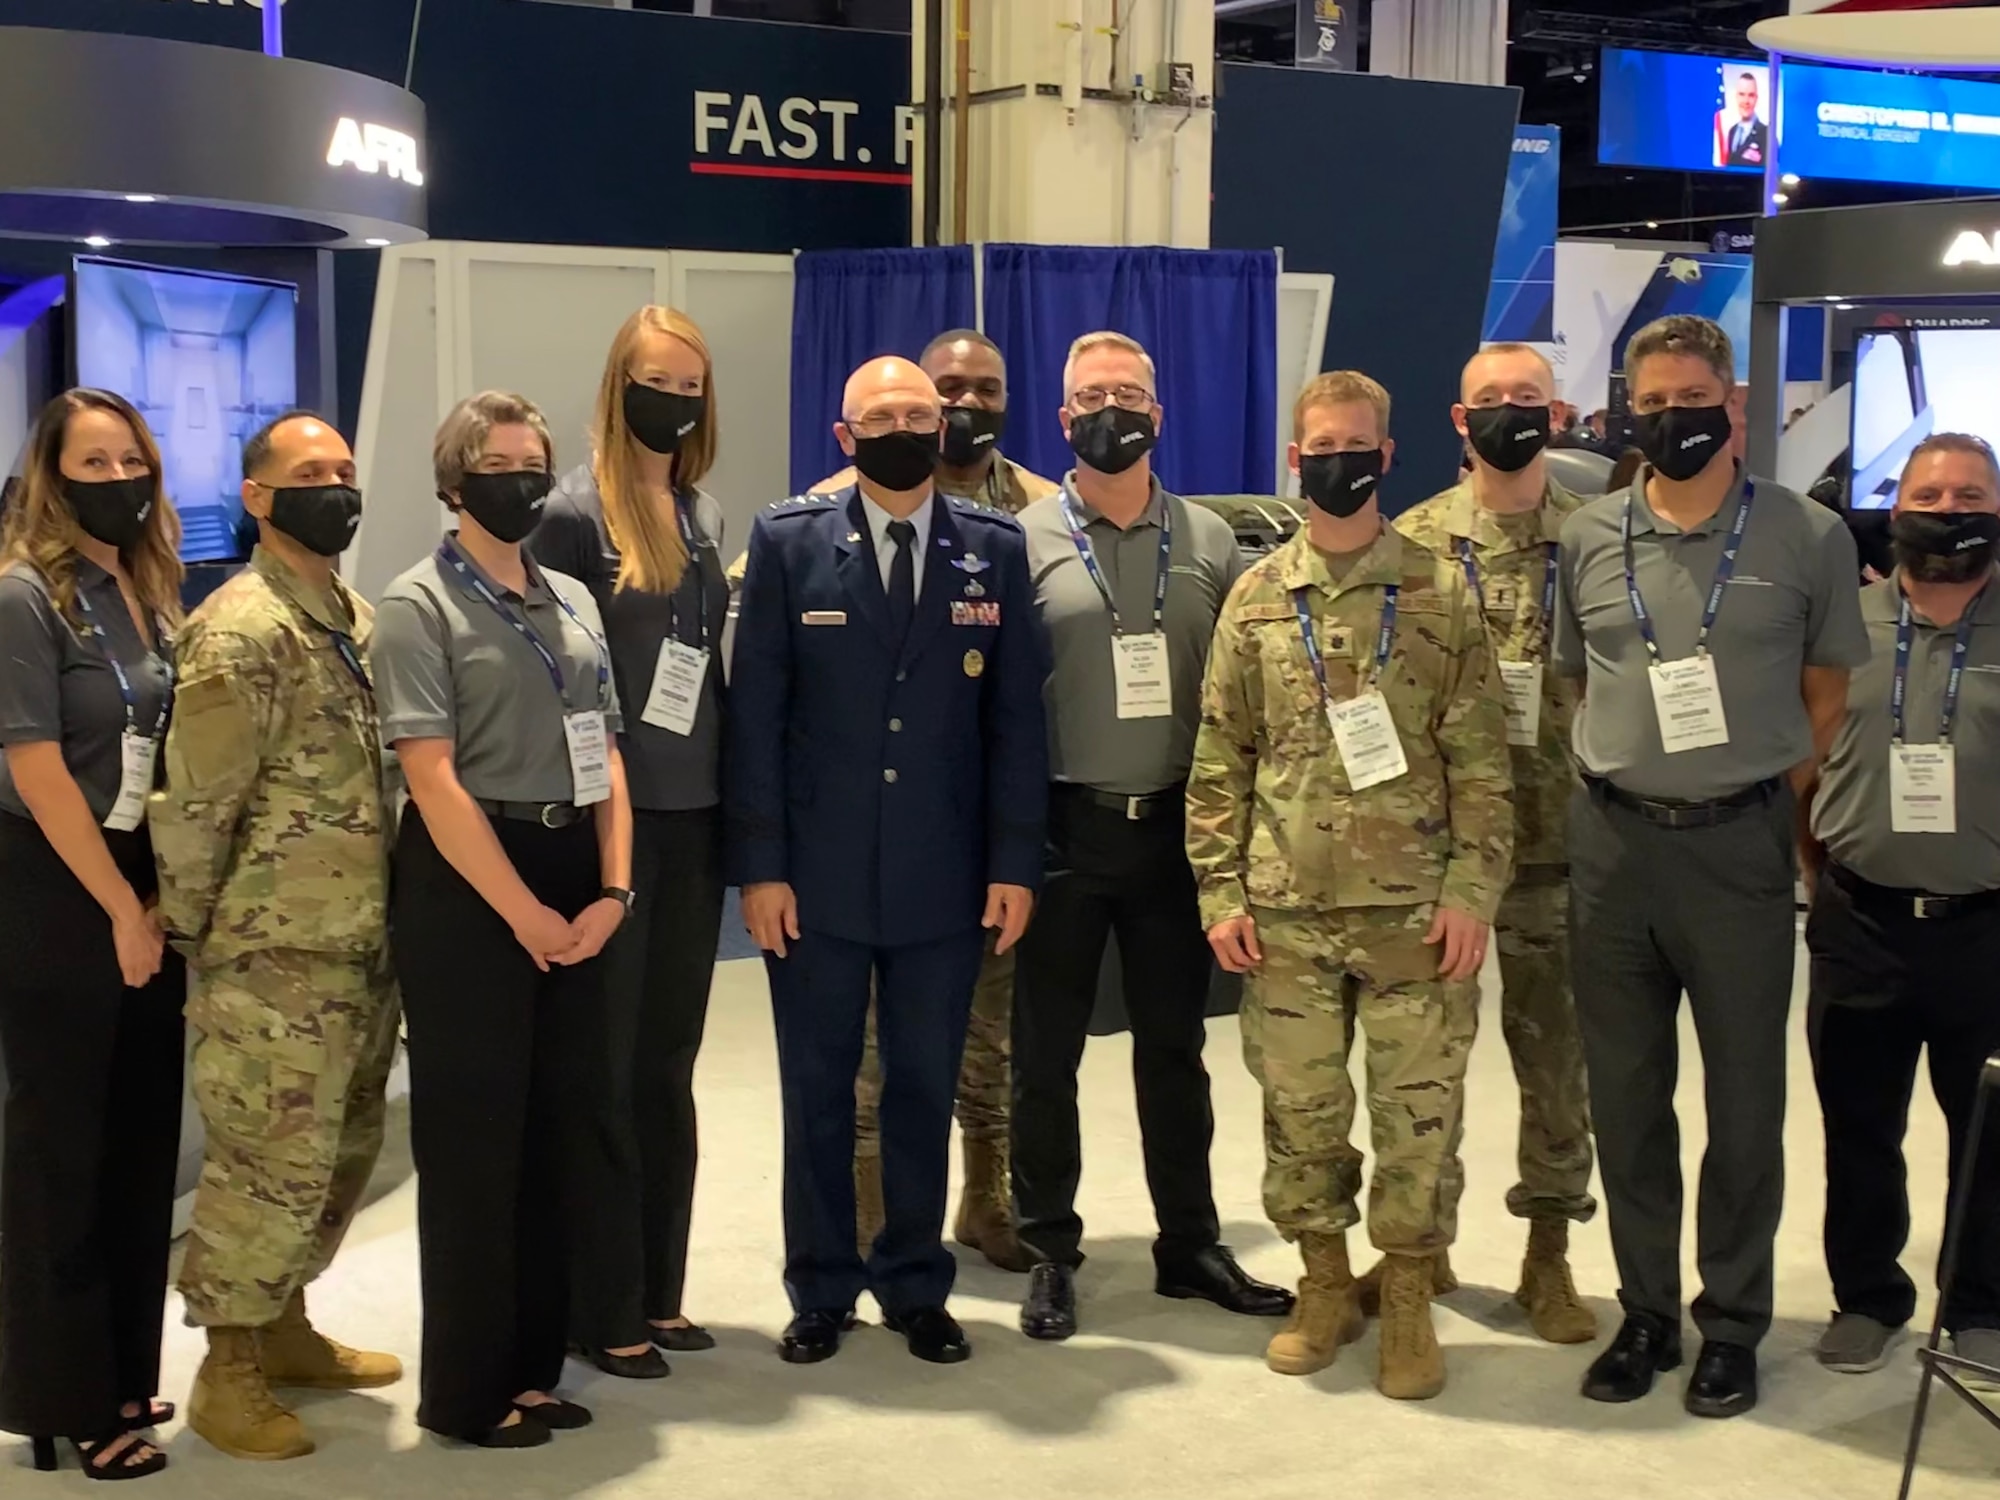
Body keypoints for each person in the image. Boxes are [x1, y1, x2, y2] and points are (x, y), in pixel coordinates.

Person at [1555, 314, 1868, 1418]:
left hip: (1737, 846)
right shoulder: (1587, 536)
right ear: (1627, 414)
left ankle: (1728, 1319)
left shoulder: (1806, 535)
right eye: (1653, 406)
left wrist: (1767, 802)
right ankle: (1644, 1311)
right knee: (1627, 1094)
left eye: (1694, 401)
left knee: (1742, 1101)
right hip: (1610, 848)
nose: (1673, 420)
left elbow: (1825, 695)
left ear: (1731, 406)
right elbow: (1581, 682)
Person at [1187, 370, 1510, 1399]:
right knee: (1301, 1112)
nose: (1337, 460)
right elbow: (1217, 759)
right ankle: (1321, 1281)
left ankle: (1407, 1292)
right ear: (1295, 458)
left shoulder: (1439, 591)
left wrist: (1471, 893)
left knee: (1417, 1116)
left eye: (1356, 445)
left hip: (1415, 912)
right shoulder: (1252, 597)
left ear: (1385, 454)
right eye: (1320, 445)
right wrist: (1218, 893)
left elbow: (1482, 764)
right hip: (1284, 912)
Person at [727, 356, 1046, 1366]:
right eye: (884, 416)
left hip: (943, 879)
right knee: (817, 1089)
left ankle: (914, 1283)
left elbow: (1014, 726)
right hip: (813, 881)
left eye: (922, 413)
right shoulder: (787, 542)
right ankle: (820, 1285)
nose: (908, 428)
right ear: (844, 436)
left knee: (919, 1084)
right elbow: (756, 721)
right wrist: (762, 869)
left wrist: (1012, 863)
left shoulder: (992, 548)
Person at [1012, 330, 1293, 1343]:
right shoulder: (1027, 538)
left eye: (1128, 392)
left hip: (1177, 832)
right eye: (1090, 395)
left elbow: (1243, 702)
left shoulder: (1212, 540)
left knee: (1174, 1050)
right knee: (1042, 1057)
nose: (1109, 409)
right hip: (1059, 830)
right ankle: (1047, 1250)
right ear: (1060, 419)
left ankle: (1189, 1244)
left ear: (1159, 415)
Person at [372, 391, 632, 1448]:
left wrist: (613, 892)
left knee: (555, 1136)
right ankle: (468, 1391)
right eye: (497, 463)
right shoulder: (415, 603)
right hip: (472, 887)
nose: (520, 479)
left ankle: (533, 1363)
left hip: (578, 873)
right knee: (477, 1147)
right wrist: (526, 912)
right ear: (453, 480)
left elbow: (607, 747)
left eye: (533, 461)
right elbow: (431, 781)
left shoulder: (570, 594)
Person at [151, 410, 401, 1463]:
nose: (335, 487)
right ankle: (229, 1368)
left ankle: (286, 1322)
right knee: (263, 1166)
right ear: (257, 497)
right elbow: (195, 805)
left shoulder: (351, 613)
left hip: (359, 940)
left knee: (342, 1150)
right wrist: (202, 940)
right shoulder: (240, 630)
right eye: (310, 473)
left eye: (344, 470)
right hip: (270, 954)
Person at [811, 329, 1057, 1272]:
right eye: (944, 388)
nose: (961, 406)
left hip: (976, 815)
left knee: (985, 1028)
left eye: (982, 389)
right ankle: (872, 1206)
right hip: (868, 825)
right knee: (875, 1038)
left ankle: (984, 1196)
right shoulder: (826, 513)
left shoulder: (1038, 512)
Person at [530, 307, 728, 1374]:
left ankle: (658, 1288)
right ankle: (597, 1301)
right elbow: (564, 688)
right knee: (600, 1073)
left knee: (666, 1067)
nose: (675, 399)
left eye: (691, 384)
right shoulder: (571, 514)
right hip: (617, 828)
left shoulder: (697, 512)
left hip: (693, 823)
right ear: (619, 386)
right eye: (658, 380)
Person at [1392, 343, 1596, 1346]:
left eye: (1526, 398)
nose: (1508, 413)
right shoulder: (1414, 543)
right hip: (1443, 863)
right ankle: (1422, 1245)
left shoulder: (1597, 537)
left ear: (1555, 413)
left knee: (1557, 1068)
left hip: (1565, 850)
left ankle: (1547, 1256)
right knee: (1425, 1067)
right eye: (1489, 400)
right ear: (1455, 416)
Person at [0, 390, 185, 1480]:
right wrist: (118, 909)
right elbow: (31, 765)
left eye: (131, 459)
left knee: (137, 1143)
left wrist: (155, 895)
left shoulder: (149, 587)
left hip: (142, 879)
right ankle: (58, 1397)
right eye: (93, 462)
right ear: (51, 475)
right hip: (57, 886)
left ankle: (121, 1367)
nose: (117, 478)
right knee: (59, 1151)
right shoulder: (25, 596)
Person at [1801, 432, 2000, 1386]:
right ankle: (1869, 1297)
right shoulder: (1845, 626)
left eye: (1971, 493)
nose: (1951, 508)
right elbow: (1805, 765)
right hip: (1860, 922)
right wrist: (1822, 875)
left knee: (1991, 1131)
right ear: (1895, 506)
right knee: (1859, 1126)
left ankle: (1981, 1305)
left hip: (1988, 929)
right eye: (1931, 492)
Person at [1716, 72, 1767, 169]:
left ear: (1756, 98)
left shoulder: (1767, 134)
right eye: (1742, 94)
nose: (1746, 101)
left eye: (1751, 95)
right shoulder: (1732, 130)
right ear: (1736, 96)